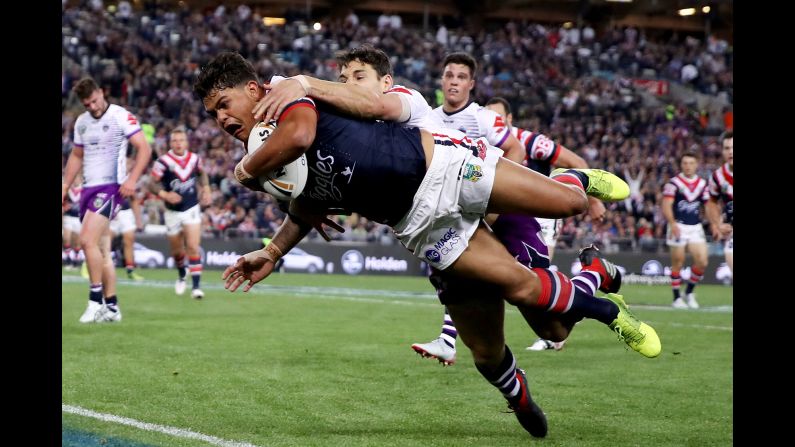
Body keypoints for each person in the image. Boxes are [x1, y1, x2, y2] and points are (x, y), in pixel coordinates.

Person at [195, 52, 660, 439]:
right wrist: (273, 251)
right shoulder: (264, 160)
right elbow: (306, 205)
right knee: (501, 331)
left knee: (567, 203)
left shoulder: (287, 97)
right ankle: (522, 385)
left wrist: (247, 169)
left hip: (442, 167)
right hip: (419, 224)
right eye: (213, 113)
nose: (220, 118)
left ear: (254, 89)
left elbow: (300, 134)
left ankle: (580, 193)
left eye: (223, 103)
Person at [62, 77, 152, 323]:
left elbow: (144, 148)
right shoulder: (81, 122)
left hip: (111, 187)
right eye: (86, 103)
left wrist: (132, 180)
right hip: (87, 189)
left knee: (86, 240)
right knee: (101, 251)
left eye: (94, 100)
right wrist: (65, 185)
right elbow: (77, 156)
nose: (92, 106)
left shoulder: (120, 116)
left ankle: (94, 301)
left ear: (102, 93)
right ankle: (112, 308)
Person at [148, 127, 211, 299]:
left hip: (191, 207)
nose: (178, 143)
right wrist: (165, 194)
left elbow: (202, 173)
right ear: (170, 143)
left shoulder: (194, 159)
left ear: (186, 142)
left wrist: (206, 189)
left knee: (192, 246)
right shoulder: (163, 162)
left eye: (181, 140)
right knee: (177, 251)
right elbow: (151, 184)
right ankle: (182, 273)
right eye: (175, 140)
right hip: (171, 212)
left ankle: (196, 287)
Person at [662, 152, 710, 309]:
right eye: (685, 163)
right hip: (678, 225)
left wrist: (715, 223)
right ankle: (676, 298)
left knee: (702, 261)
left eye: (691, 163)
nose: (688, 166)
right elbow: (666, 205)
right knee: (678, 262)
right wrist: (672, 224)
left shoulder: (702, 184)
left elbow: (708, 205)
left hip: (695, 226)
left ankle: (688, 292)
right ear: (681, 165)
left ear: (696, 165)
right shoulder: (674, 183)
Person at [109, 155, 146, 281]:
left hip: (126, 212)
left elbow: (134, 200)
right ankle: (95, 266)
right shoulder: (110, 177)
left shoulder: (129, 179)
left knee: (129, 240)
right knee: (106, 241)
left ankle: (130, 270)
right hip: (111, 212)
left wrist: (138, 220)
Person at [706, 131, 733, 274]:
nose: (731, 152)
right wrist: (717, 224)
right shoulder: (717, 176)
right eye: (727, 148)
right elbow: (711, 202)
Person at [62, 174, 84, 272]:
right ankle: (67, 259)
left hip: (78, 218)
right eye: (74, 178)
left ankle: (76, 259)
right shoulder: (67, 189)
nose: (75, 180)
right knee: (66, 238)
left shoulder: (84, 190)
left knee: (77, 242)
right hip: (68, 216)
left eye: (77, 178)